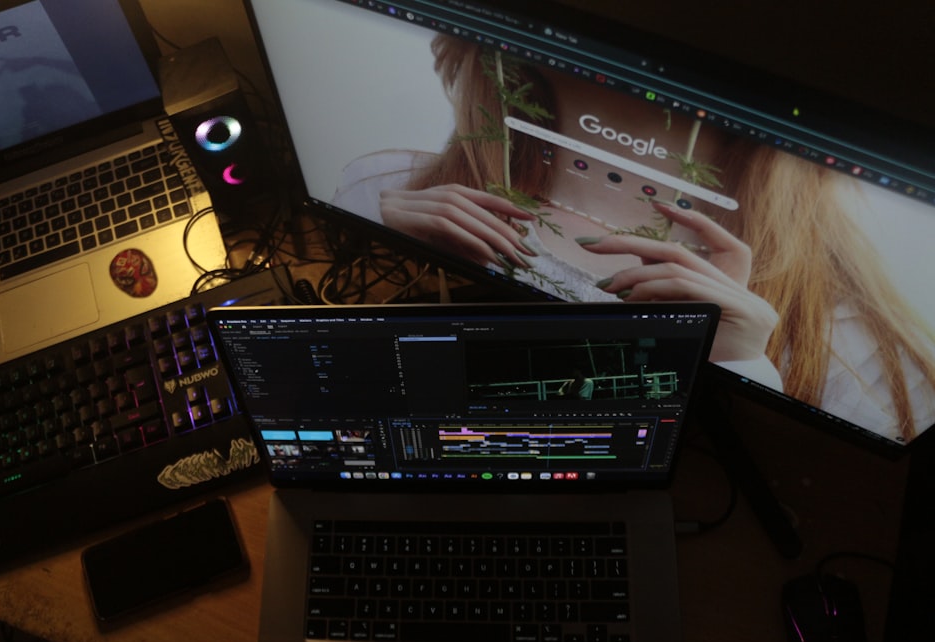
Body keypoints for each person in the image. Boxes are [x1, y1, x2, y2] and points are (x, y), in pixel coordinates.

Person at [332, 35, 935, 443]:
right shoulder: (386, 193)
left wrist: (737, 368)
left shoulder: (860, 352)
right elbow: (347, 403)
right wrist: (395, 269)